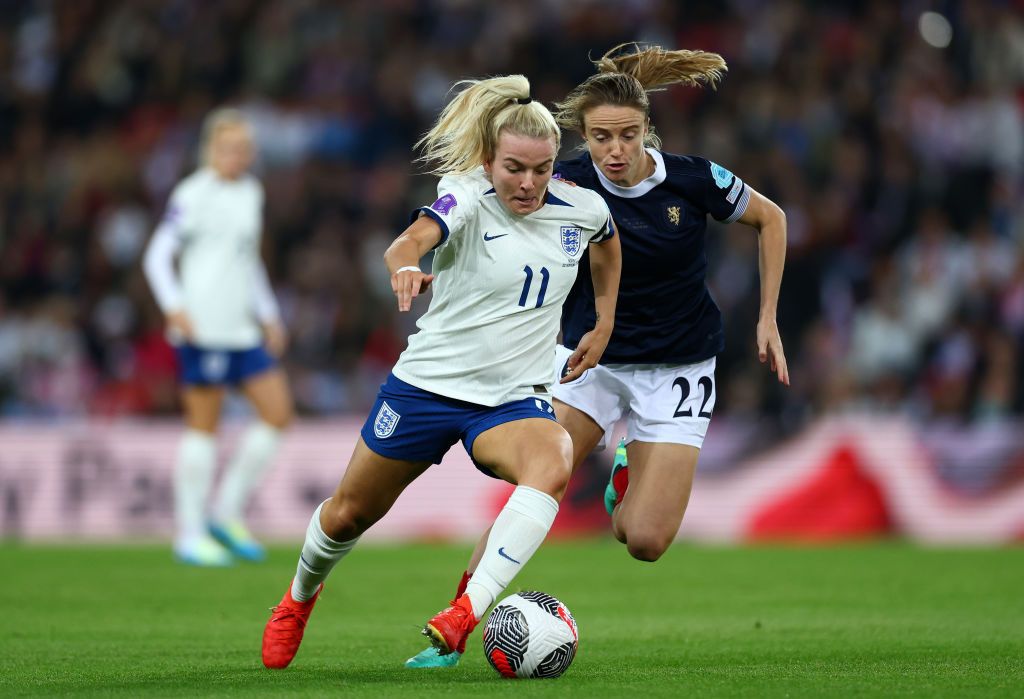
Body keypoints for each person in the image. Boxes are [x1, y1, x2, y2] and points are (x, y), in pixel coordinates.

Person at [406, 43, 789, 669]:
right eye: (601, 137)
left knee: (645, 541)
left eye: (628, 136)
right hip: (588, 360)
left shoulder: (694, 179)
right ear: (583, 137)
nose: (615, 150)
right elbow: (482, 205)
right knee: (533, 484)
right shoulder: (566, 180)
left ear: (647, 132)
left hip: (678, 368)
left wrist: (768, 314)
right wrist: (432, 263)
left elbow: (771, 220)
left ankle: (624, 472)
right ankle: (455, 627)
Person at [259, 74, 621, 670]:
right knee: (349, 512)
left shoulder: (583, 209)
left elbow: (607, 248)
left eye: (541, 168)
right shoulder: (465, 194)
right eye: (513, 168)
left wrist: (604, 319)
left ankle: (464, 614)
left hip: (511, 398)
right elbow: (408, 242)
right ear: (488, 160)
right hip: (428, 387)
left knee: (553, 456)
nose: (527, 183)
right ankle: (298, 598)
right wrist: (404, 267)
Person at [142, 108, 293, 567]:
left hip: (242, 330)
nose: (237, 156)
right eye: (229, 148)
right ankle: (188, 532)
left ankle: (225, 512)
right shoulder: (193, 193)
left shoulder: (251, 191)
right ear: (211, 149)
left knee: (277, 413)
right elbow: (157, 255)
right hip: (204, 329)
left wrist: (268, 314)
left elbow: (248, 262)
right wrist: (174, 307)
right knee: (203, 427)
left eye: (244, 149)